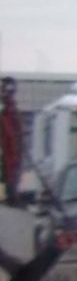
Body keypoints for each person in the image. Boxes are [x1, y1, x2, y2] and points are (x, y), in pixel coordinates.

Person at [0, 77, 21, 205]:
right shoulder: (7, 110)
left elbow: (14, 134)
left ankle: (10, 193)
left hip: (10, 154)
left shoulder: (10, 110)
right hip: (8, 152)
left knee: (10, 168)